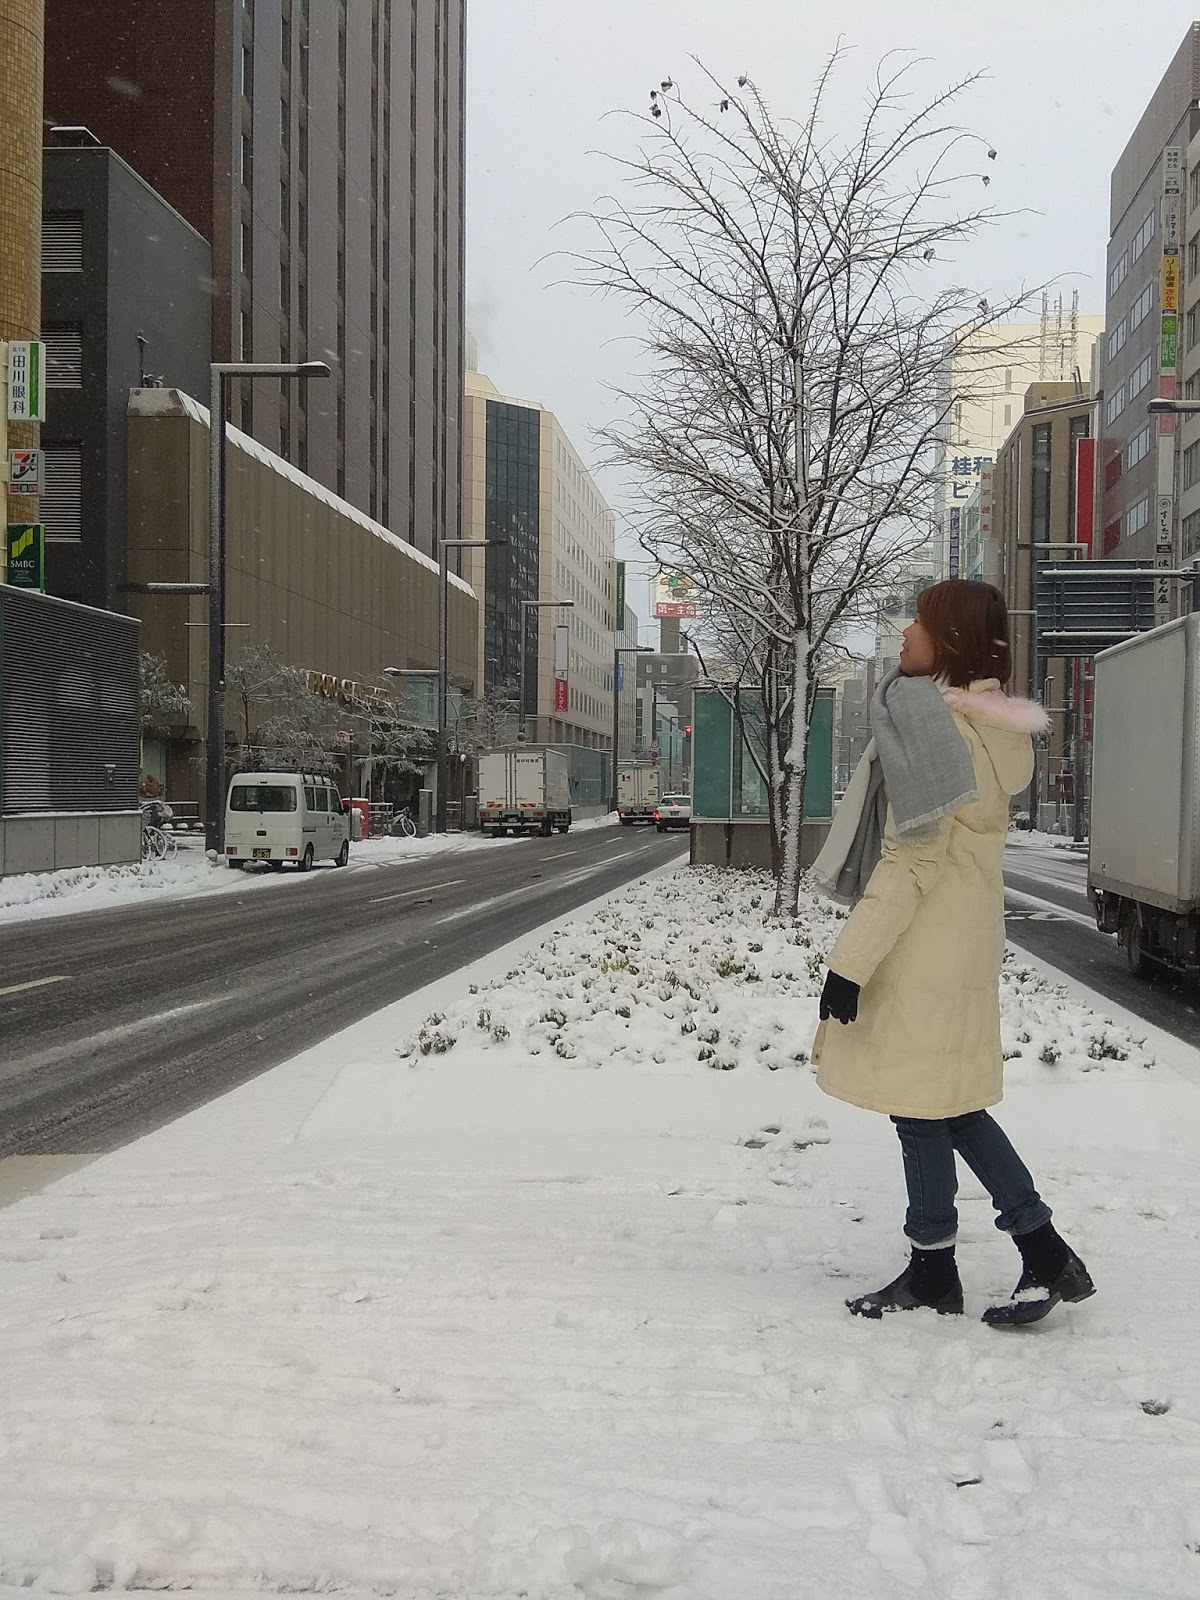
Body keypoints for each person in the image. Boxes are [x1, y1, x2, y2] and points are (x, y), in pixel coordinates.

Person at [810, 580, 1095, 1328]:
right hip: (961, 940)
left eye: (922, 621)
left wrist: (849, 963)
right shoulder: (988, 728)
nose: (907, 632)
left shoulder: (939, 732)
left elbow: (913, 857)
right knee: (944, 1105)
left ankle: (985, 1260)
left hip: (923, 944)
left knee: (929, 1108)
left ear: (953, 641)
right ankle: (1000, 1258)